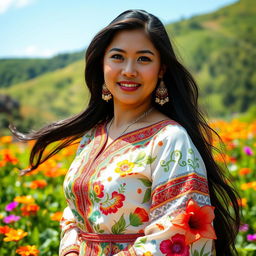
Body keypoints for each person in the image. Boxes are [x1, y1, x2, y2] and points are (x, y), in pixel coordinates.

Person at [11, 9, 241, 256]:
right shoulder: (93, 136)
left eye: (143, 59)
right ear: (102, 63)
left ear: (161, 69)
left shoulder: (170, 140)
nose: (129, 70)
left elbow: (176, 238)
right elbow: (73, 214)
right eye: (118, 57)